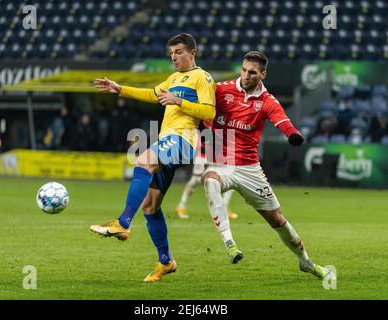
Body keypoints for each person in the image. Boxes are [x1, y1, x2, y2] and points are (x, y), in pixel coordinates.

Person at [90, 33, 216, 282]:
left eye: (178, 52)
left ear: (192, 52)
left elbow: (209, 112)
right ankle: (166, 261)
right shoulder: (174, 78)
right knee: (150, 206)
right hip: (167, 140)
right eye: (171, 53)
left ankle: (123, 222)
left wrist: (178, 101)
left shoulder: (203, 77)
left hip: (183, 139)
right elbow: (153, 94)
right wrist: (120, 89)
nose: (174, 57)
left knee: (143, 162)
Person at [202, 51, 331, 279]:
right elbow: (198, 104)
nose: (245, 75)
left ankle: (306, 261)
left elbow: (283, 121)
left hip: (249, 169)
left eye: (252, 72)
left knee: (278, 220)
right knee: (209, 180)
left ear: (263, 74)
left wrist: (292, 134)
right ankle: (229, 242)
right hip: (221, 162)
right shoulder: (221, 90)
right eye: (243, 70)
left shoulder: (267, 101)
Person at [175, 120, 238, 220]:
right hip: (203, 152)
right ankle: (181, 206)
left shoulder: (221, 114)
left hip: (218, 152)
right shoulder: (204, 114)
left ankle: (224, 207)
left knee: (231, 178)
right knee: (195, 180)